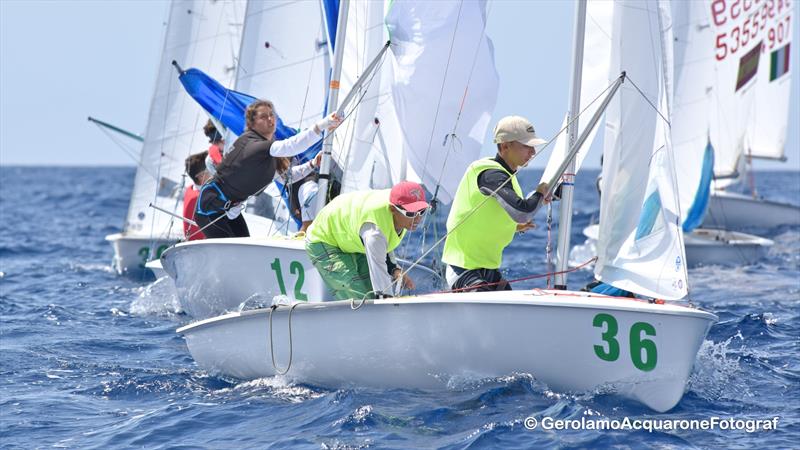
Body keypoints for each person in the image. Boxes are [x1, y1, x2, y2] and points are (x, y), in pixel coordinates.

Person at [195, 99, 341, 239]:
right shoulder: (252, 143)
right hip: (209, 208)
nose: (270, 119)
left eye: (272, 115)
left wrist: (312, 164)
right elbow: (293, 145)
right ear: (252, 123)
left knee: (243, 248)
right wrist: (322, 125)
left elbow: (287, 178)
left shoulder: (267, 150)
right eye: (263, 117)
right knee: (234, 254)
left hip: (230, 209)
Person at [442, 115, 551, 292]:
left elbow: (492, 215)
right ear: (505, 146)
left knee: (511, 312)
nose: (533, 152)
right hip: (463, 269)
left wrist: (514, 226)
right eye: (526, 146)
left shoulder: (508, 177)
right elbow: (522, 212)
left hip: (488, 270)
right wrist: (539, 194)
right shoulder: (490, 174)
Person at [305, 181, 429, 300]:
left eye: (422, 211)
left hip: (352, 236)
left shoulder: (404, 213)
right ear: (393, 210)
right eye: (412, 213)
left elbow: (384, 243)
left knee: (370, 293)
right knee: (358, 295)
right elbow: (381, 286)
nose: (418, 218)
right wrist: (388, 307)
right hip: (324, 237)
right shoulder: (374, 230)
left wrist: (394, 270)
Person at [183, 151, 211, 240]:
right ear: (201, 176)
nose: (216, 170)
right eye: (211, 167)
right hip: (205, 247)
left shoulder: (191, 188)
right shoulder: (202, 198)